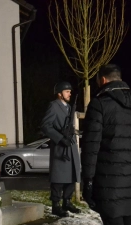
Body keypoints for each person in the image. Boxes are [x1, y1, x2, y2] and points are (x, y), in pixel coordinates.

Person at [81, 64, 131, 225]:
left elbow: (90, 149)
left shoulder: (99, 104)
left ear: (103, 80)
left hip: (107, 183)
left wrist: (88, 181)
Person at [40, 81, 81, 217]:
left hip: (71, 145)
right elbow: (46, 125)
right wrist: (59, 138)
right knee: (58, 178)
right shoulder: (54, 106)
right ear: (59, 94)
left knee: (72, 175)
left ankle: (67, 201)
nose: (69, 93)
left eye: (70, 91)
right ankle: (56, 205)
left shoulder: (69, 107)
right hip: (60, 146)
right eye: (67, 91)